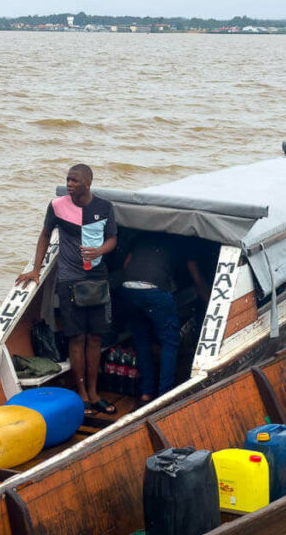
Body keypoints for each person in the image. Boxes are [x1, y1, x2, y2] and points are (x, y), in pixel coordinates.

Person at [16, 164, 118, 415]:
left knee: (95, 338)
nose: (69, 184)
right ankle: (81, 394)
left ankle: (95, 394)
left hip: (97, 280)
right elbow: (45, 235)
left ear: (88, 184)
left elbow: (113, 239)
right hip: (70, 281)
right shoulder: (57, 206)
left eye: (74, 180)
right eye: (68, 180)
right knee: (77, 338)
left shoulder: (104, 207)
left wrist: (99, 251)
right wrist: (36, 270)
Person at [121, 233, 209, 402]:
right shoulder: (181, 240)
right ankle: (164, 394)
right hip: (155, 290)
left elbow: (126, 264)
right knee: (169, 341)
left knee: (142, 338)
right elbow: (196, 277)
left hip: (128, 287)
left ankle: (146, 392)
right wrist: (207, 300)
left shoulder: (143, 236)